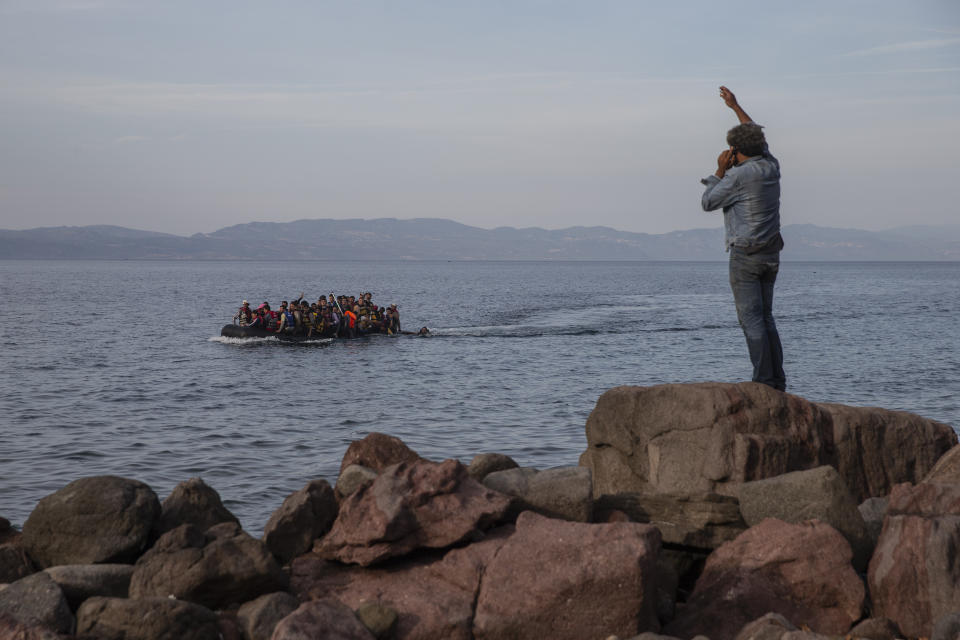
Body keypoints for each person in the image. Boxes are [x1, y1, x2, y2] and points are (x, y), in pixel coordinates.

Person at [701, 86, 785, 391]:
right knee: (767, 318)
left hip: (746, 255)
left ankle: (763, 383)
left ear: (737, 152)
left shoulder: (737, 175)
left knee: (751, 321)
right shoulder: (771, 166)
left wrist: (719, 170)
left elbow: (708, 202)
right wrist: (735, 107)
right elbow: (756, 136)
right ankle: (776, 381)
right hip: (771, 253)